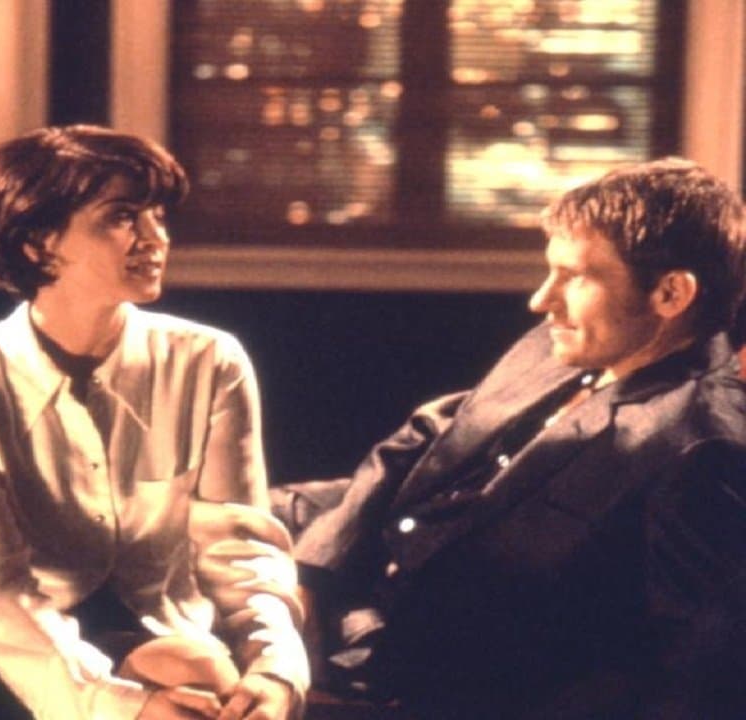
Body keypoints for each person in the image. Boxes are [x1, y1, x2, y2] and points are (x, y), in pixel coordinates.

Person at [273, 157, 746, 719]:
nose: (542, 300)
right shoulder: (564, 342)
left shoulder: (705, 447)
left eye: (576, 276)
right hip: (353, 578)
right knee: (201, 514)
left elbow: (690, 680)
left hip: (420, 687)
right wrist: (315, 570)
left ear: (671, 293)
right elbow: (431, 435)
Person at [0, 125, 310, 720]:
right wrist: (124, 708)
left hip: (168, 626)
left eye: (157, 216)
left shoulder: (209, 361)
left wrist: (277, 672)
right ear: (39, 243)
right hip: (20, 647)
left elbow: (240, 552)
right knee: (193, 676)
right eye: (122, 217)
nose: (155, 237)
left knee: (205, 673)